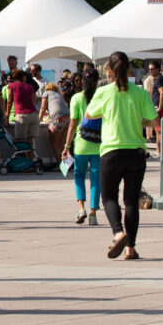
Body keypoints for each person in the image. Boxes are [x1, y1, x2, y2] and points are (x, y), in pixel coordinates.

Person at [84, 52, 159, 260]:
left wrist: (108, 114)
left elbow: (89, 114)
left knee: (108, 197)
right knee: (132, 201)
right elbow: (154, 122)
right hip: (136, 152)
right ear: (128, 69)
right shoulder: (140, 92)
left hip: (111, 151)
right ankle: (130, 249)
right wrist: (138, 122)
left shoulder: (104, 91)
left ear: (109, 70)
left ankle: (118, 232)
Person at [62, 68, 101, 226]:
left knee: (79, 176)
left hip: (81, 144)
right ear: (97, 81)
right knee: (96, 179)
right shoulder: (101, 97)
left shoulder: (76, 98)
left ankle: (81, 208)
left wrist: (66, 146)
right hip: (99, 142)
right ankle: (93, 214)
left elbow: (72, 123)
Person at [43, 81, 71, 170]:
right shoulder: (59, 95)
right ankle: (67, 165)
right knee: (61, 144)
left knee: (53, 141)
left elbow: (43, 108)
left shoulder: (46, 93)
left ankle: (61, 166)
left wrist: (38, 119)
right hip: (67, 118)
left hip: (57, 118)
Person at [6, 69, 38, 143]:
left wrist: (7, 117)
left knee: (21, 142)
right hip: (34, 115)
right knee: (30, 141)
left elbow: (9, 102)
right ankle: (32, 155)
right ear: (23, 77)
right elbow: (33, 101)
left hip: (22, 116)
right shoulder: (30, 87)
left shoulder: (12, 85)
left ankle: (25, 155)